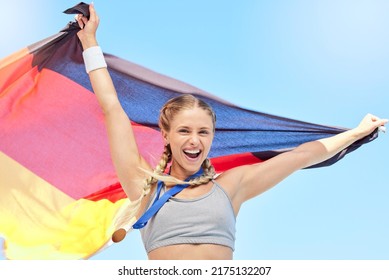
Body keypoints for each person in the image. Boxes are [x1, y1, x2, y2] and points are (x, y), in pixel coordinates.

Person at [75, 4, 387, 260]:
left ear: (211, 137)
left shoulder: (233, 186)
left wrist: (356, 132)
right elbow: (113, 107)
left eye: (203, 132)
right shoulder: (144, 187)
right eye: (184, 130)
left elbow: (302, 155)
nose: (195, 140)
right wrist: (90, 43)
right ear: (167, 135)